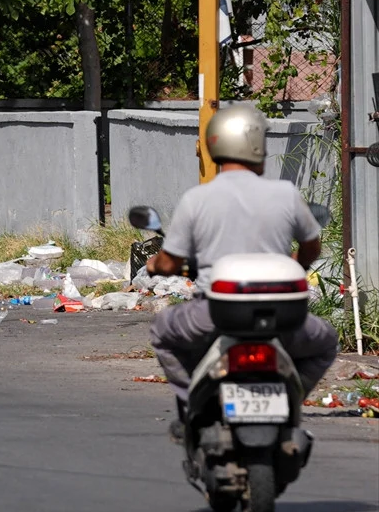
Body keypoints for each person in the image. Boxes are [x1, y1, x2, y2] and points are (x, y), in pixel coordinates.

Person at [145, 103, 339, 436]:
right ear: (258, 147)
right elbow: (312, 245)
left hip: (216, 315)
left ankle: (193, 403)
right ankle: (291, 401)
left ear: (214, 145)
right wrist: (297, 266)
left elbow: (171, 261)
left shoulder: (198, 199)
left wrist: (155, 265)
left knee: (162, 332)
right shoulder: (286, 193)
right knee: (326, 341)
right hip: (282, 318)